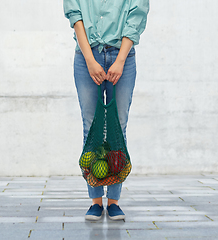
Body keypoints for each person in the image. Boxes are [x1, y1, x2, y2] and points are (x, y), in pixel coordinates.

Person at [63, 0, 149, 221]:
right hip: (86, 57)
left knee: (117, 128)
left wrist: (120, 60)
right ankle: (95, 200)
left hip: (123, 57)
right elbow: (75, 16)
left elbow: (136, 16)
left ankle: (114, 201)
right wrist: (90, 61)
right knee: (90, 128)